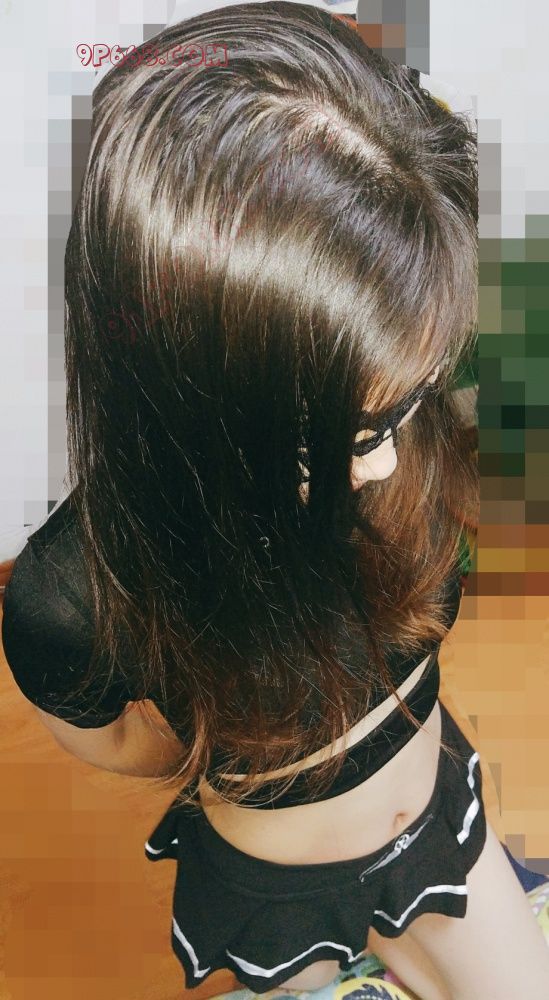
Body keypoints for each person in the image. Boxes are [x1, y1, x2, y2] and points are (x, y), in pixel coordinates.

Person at [2, 4, 548, 998]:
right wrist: (228, 724)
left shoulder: (396, 425)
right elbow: (119, 742)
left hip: (433, 824)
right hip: (276, 885)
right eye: (337, 435)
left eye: (412, 398)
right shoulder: (74, 596)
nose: (387, 467)